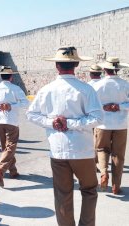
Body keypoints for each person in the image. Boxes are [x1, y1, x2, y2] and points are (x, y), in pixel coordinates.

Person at [26, 46, 103, 226]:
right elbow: (97, 118)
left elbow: (31, 114)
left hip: (58, 150)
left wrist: (53, 122)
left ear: (56, 66)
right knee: (89, 190)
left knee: (62, 194)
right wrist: (71, 123)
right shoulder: (86, 89)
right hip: (82, 150)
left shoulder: (46, 90)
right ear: (76, 64)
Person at [0, 66, 29, 188]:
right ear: (11, 76)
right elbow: (26, 103)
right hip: (12, 121)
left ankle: (13, 171)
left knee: (6, 148)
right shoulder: (15, 88)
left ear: (0, 76)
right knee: (11, 147)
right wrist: (11, 106)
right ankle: (1, 168)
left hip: (0, 121)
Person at [92, 57, 129, 194]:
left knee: (101, 149)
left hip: (102, 124)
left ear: (104, 69)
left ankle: (103, 173)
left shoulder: (97, 85)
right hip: (121, 125)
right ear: (118, 69)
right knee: (118, 156)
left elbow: (92, 106)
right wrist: (118, 106)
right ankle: (116, 185)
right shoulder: (125, 85)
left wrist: (104, 107)